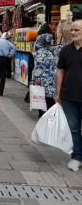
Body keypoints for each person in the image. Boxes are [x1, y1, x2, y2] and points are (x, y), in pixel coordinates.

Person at [55, 20, 82, 171]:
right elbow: (60, 71)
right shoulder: (65, 50)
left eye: (76, 30)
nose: (73, 33)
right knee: (74, 128)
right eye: (72, 30)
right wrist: (58, 93)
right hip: (69, 95)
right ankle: (77, 156)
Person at [33, 33, 65, 117]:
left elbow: (60, 48)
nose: (53, 40)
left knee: (48, 96)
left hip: (51, 79)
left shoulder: (49, 49)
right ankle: (47, 115)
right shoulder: (41, 52)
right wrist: (38, 78)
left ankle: (46, 113)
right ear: (45, 41)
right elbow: (38, 67)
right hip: (46, 80)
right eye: (51, 39)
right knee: (47, 97)